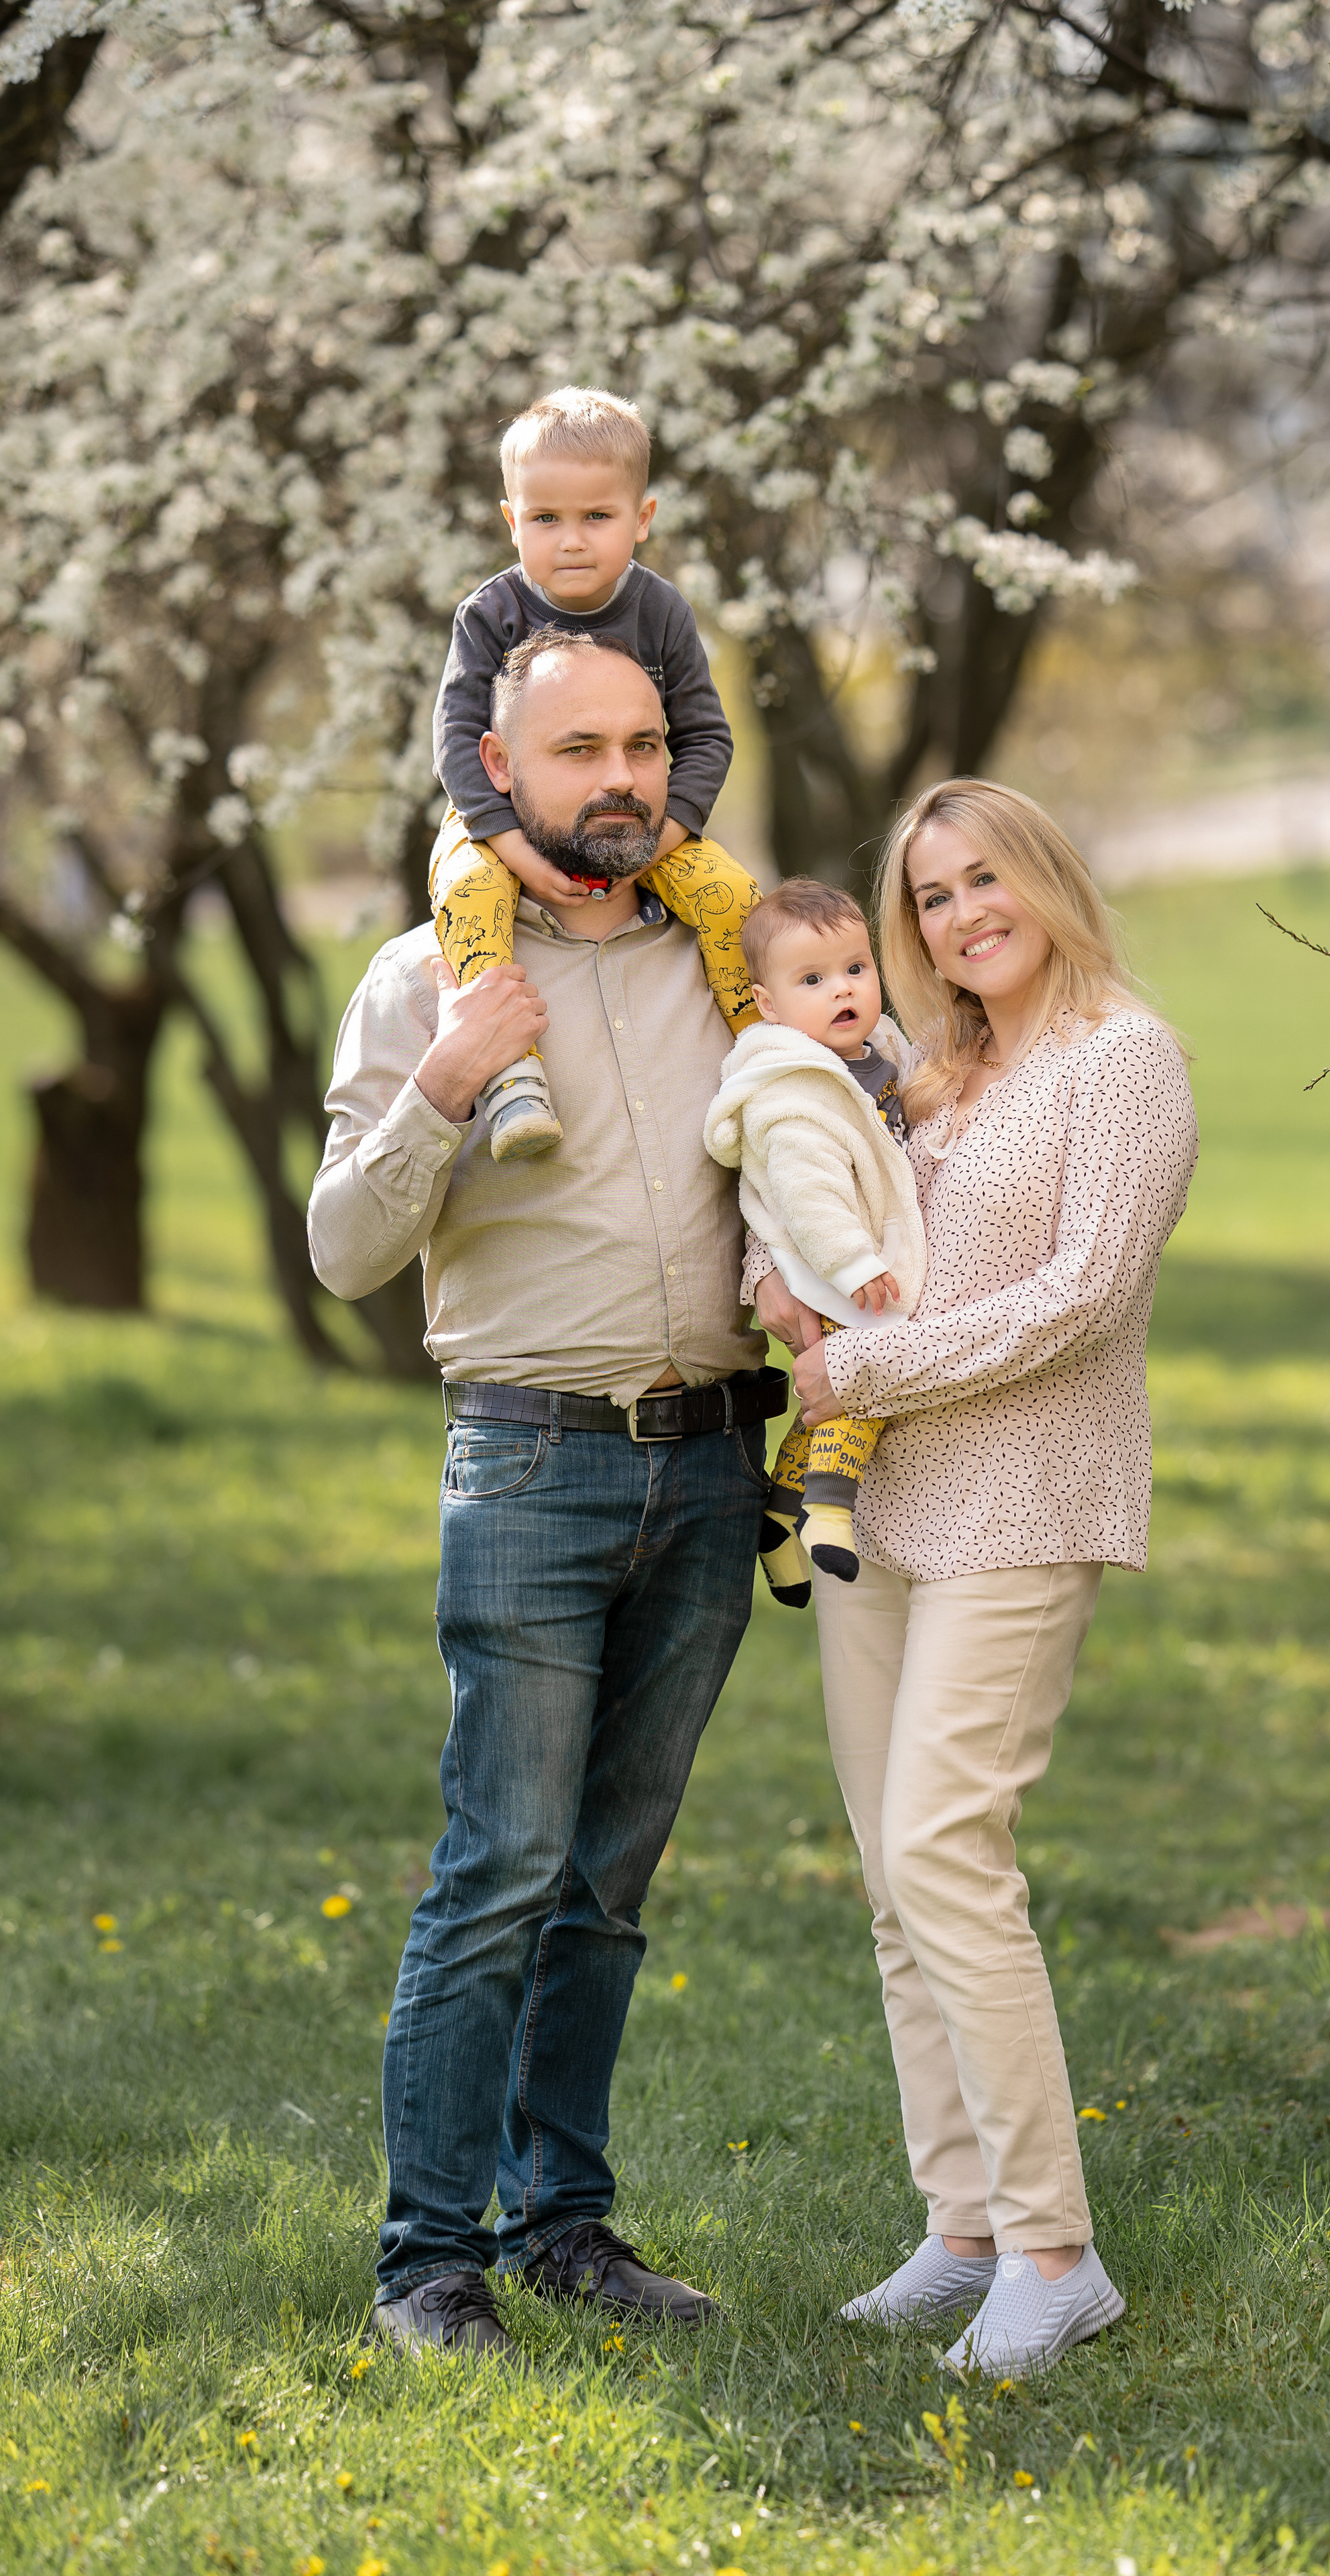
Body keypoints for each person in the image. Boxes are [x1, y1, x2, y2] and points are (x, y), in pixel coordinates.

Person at [308, 625, 788, 2359]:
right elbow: (344, 1250)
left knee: (610, 1879)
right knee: (499, 1867)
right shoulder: (424, 973)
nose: (625, 781)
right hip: (530, 1462)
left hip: (717, 1459)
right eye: (582, 750)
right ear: (499, 766)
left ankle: (565, 2226)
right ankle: (429, 2264)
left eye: (648, 745)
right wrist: (447, 1080)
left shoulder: (727, 966)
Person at [763, 778, 1198, 2379]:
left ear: (1043, 876)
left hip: (1027, 1491)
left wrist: (866, 1358)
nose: (958, 915)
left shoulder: (1120, 1058)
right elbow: (840, 1228)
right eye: (930, 897)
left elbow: (1081, 1296)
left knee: (948, 1839)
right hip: (883, 1495)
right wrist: (792, 1289)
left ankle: (1052, 2249)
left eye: (980, 877)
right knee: (892, 1869)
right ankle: (957, 2228)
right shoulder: (925, 1074)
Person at [429, 385, 759, 1161]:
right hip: (495, 815)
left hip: (643, 821)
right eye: (545, 519)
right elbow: (456, 748)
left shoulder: (661, 613)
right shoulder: (490, 615)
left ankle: (768, 1057)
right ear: (512, 522)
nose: (570, 541)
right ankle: (510, 1077)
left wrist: (664, 841)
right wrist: (512, 850)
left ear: (641, 519)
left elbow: (705, 736)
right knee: (471, 897)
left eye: (596, 518)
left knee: (731, 898)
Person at [702, 879, 927, 1602]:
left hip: (856, 1261)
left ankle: (774, 1515)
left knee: (830, 1398)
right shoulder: (794, 1091)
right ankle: (828, 1514)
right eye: (813, 980)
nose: (843, 991)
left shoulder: (878, 1051)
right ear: (768, 1004)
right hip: (833, 1267)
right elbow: (810, 1196)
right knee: (861, 1390)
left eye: (855, 969)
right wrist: (854, 1264)